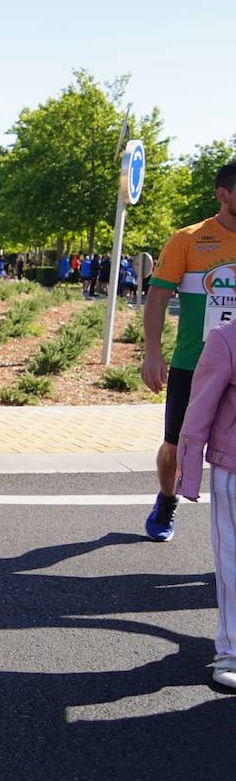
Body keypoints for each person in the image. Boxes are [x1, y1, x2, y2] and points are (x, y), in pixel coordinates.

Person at [141, 161, 236, 541]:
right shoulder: (188, 239)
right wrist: (152, 353)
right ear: (223, 194)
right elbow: (158, 295)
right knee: (175, 443)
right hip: (193, 364)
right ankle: (167, 502)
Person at [177, 317, 236, 688]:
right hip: (233, 469)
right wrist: (189, 473)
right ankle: (230, 650)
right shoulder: (226, 339)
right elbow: (198, 409)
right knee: (232, 561)